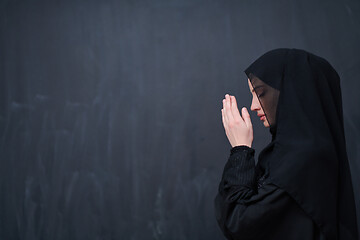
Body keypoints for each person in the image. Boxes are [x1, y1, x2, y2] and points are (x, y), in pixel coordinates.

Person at [215, 48, 358, 240]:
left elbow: (239, 223)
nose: (253, 105)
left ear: (293, 92)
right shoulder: (286, 154)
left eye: (260, 93)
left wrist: (241, 150)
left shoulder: (304, 158)